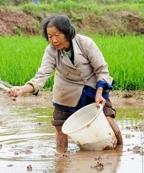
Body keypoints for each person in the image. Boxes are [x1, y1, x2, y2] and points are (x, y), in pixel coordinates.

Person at [8, 14, 123, 154]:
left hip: (93, 87)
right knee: (60, 125)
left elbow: (101, 69)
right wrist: (22, 89)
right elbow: (41, 76)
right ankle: (61, 157)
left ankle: (120, 150)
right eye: (49, 36)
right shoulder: (50, 51)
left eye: (57, 35)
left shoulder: (85, 43)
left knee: (107, 117)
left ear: (67, 32)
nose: (54, 40)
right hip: (66, 90)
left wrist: (99, 93)